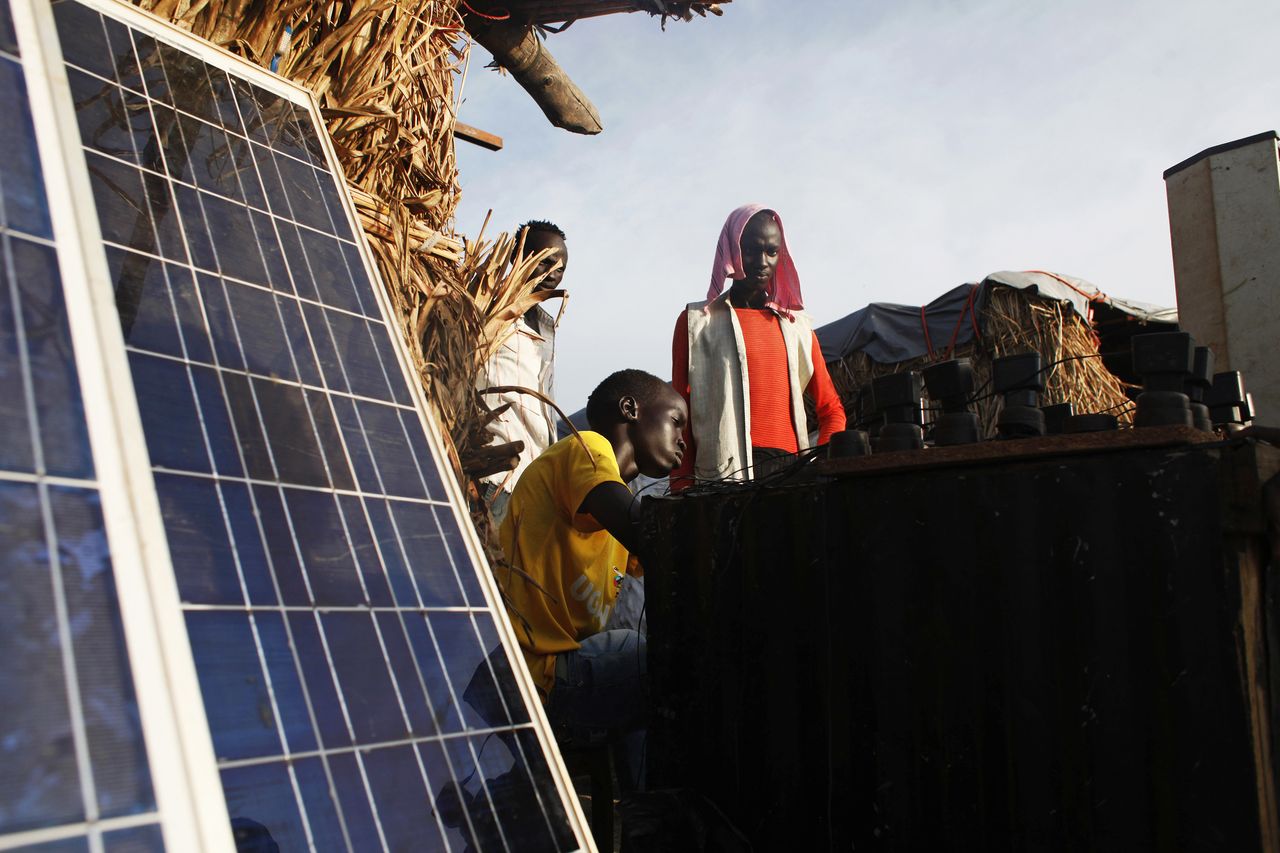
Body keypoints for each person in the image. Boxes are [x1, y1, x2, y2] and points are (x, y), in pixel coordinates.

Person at [496, 369, 687, 789]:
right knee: (673, 659)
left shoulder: (613, 513)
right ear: (629, 410)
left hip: (557, 676)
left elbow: (665, 567)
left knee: (651, 664)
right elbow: (652, 536)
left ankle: (644, 813)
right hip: (536, 675)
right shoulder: (588, 448)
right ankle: (656, 814)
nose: (683, 440)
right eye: (676, 421)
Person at [670, 204, 846, 490]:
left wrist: (820, 464)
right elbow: (681, 415)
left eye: (772, 252)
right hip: (721, 478)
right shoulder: (696, 323)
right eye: (751, 250)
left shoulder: (796, 326)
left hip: (790, 476)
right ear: (731, 249)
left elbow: (832, 410)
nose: (762, 261)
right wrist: (681, 487)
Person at [479, 220, 570, 523]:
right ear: (516, 256)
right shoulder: (486, 309)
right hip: (495, 475)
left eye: (560, 269)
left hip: (536, 481)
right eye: (544, 262)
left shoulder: (548, 325)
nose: (552, 275)